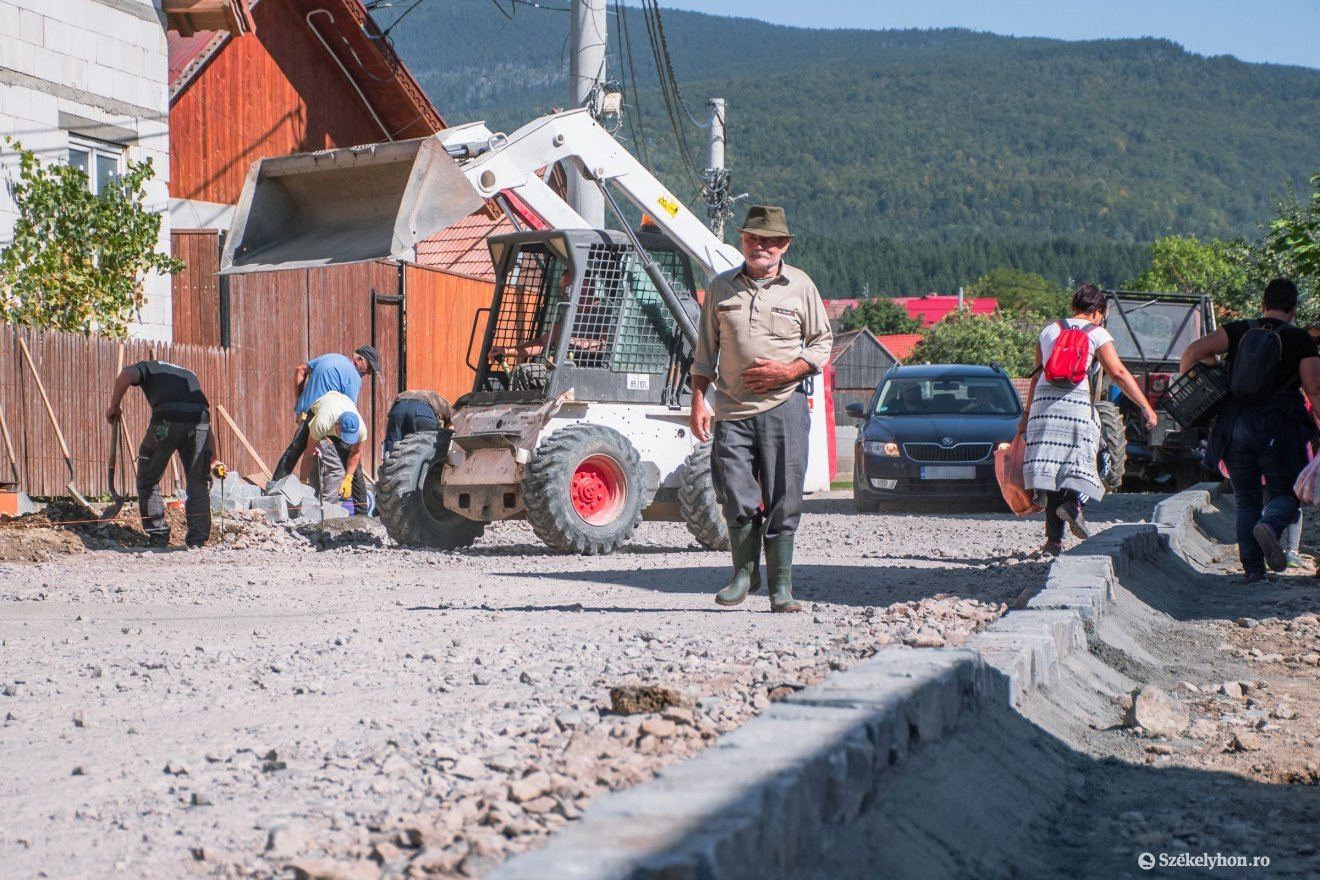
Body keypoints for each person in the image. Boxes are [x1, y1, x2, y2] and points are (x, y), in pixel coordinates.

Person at [690, 205, 833, 613]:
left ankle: (781, 587)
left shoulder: (801, 286)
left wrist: (790, 369)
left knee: (785, 497)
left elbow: (823, 343)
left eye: (769, 240)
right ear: (743, 241)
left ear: (784, 245)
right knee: (735, 494)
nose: (761, 246)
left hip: (784, 405)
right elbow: (704, 355)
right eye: (753, 238)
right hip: (732, 411)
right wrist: (699, 401)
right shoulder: (720, 288)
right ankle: (743, 574)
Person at [1180, 278, 1320, 584]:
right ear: (1294, 309)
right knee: (1289, 493)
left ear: (1262, 305)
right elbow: (1314, 388)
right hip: (1280, 427)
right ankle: (1270, 526)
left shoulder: (1239, 329)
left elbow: (1192, 351)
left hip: (1235, 424)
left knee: (1246, 501)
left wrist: (1197, 384)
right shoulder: (1301, 340)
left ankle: (1254, 570)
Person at [1019, 283, 1158, 556]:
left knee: (1054, 473)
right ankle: (1074, 503)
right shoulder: (1097, 333)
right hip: (1076, 405)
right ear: (1098, 311)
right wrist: (1145, 406)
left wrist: (1026, 415)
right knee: (1095, 462)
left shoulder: (1050, 330)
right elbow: (1117, 372)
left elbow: (1036, 376)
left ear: (1074, 307)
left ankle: (1053, 541)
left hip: (1044, 406)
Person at [105, 360, 221, 549]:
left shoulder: (147, 367)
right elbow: (204, 420)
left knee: (148, 478)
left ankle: (158, 536)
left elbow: (126, 374)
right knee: (198, 482)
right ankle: (197, 541)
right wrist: (213, 458)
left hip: (165, 424)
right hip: (199, 424)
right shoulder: (190, 373)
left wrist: (114, 406)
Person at [270, 345, 379, 507]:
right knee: (351, 458)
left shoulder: (329, 357)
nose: (368, 373)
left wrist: (301, 400)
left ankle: (272, 492)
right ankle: (360, 506)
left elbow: (300, 369)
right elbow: (348, 410)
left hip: (308, 412)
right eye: (368, 367)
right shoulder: (354, 377)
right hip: (328, 418)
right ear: (358, 360)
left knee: (294, 451)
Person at [305, 390, 365, 506]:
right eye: (344, 435)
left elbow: (355, 453)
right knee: (333, 468)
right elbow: (308, 453)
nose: (345, 439)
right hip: (320, 408)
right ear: (337, 425)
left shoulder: (361, 430)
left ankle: (359, 513)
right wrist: (302, 482)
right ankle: (325, 509)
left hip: (341, 407)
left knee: (353, 470)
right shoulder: (322, 423)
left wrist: (348, 478)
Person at [383, 390, 453, 456]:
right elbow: (452, 425)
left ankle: (388, 467)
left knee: (392, 449)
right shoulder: (450, 408)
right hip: (422, 409)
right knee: (429, 450)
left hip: (399, 407)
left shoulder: (436, 398)